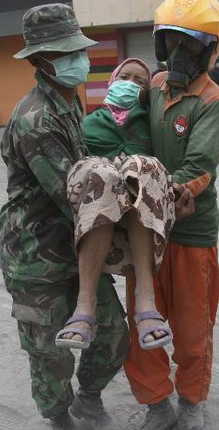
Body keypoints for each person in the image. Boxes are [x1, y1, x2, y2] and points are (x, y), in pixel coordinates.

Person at [0, 3, 129, 430]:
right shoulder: (36, 120)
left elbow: (88, 167)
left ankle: (88, 401)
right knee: (50, 353)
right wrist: (134, 211)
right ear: (41, 61)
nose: (80, 60)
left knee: (113, 336)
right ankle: (59, 419)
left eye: (79, 50)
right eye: (67, 53)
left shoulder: (69, 100)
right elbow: (74, 195)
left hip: (79, 247)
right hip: (36, 253)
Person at [124, 0, 219, 430]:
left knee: (192, 326)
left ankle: (191, 399)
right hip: (144, 231)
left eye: (192, 43)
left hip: (189, 232)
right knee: (142, 324)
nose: (181, 52)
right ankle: (156, 405)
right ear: (162, 45)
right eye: (173, 41)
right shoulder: (152, 88)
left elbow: (199, 167)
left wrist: (173, 192)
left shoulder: (214, 101)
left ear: (209, 49)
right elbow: (133, 138)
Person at [54, 58, 177, 352]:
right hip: (99, 212)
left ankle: (145, 299)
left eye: (139, 82)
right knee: (101, 173)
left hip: (139, 213)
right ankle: (85, 306)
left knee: (143, 165)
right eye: (125, 76)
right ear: (111, 81)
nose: (130, 84)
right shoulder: (88, 122)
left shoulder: (152, 123)